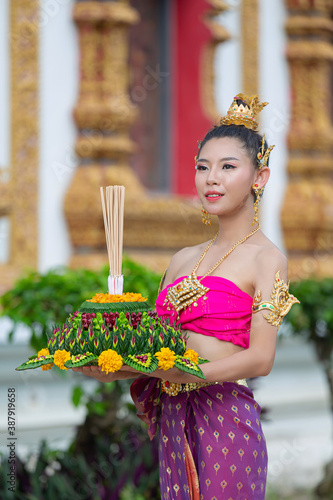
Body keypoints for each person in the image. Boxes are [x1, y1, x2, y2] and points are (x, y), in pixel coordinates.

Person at [73, 94, 299, 499]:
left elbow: (262, 359)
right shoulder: (180, 260)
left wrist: (190, 375)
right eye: (202, 167)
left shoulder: (269, 259)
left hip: (226, 421)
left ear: (259, 177)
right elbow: (158, 353)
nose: (211, 178)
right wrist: (115, 367)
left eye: (228, 167)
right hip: (174, 420)